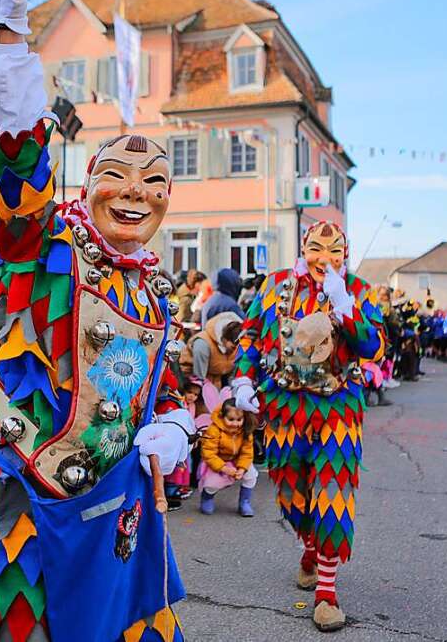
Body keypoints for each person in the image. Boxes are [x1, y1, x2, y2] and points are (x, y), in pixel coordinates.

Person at [0, 0, 193, 642]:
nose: (136, 193)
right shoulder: (47, 248)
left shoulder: (150, 288)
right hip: (31, 503)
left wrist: (178, 423)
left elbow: (157, 381)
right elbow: (18, 191)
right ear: (85, 187)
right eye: (116, 176)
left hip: (120, 504)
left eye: (154, 181)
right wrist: (10, 43)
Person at [231, 220, 386, 632]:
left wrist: (346, 306)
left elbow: (375, 347)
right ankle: (310, 548)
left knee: (332, 491)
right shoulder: (276, 285)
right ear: (303, 248)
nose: (325, 258)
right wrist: (243, 377)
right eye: (317, 248)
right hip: (283, 404)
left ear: (346, 253)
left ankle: (327, 595)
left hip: (337, 406)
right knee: (291, 494)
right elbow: (249, 334)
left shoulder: (359, 290)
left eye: (335, 251)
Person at [198, 397, 260, 517]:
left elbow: (247, 453)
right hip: (218, 460)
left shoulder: (245, 430)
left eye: (239, 419)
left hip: (237, 459)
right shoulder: (214, 430)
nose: (235, 423)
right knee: (212, 483)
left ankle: (244, 502)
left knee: (251, 475)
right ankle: (207, 496)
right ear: (222, 416)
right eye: (231, 419)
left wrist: (242, 468)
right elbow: (208, 453)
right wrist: (224, 468)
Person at [179, 311, 243, 385]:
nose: (235, 348)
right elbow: (199, 379)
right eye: (233, 345)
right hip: (193, 384)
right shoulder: (203, 344)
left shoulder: (236, 348)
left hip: (215, 384)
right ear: (225, 338)